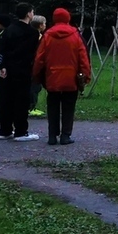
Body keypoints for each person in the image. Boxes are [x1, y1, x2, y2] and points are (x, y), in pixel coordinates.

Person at [32, 8, 91, 146]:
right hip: (71, 78)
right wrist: (86, 76)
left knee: (52, 107)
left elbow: (39, 59)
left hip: (52, 78)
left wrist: (36, 76)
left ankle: (52, 136)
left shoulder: (47, 36)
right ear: (68, 18)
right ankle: (65, 135)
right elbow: (83, 58)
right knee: (68, 107)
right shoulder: (76, 36)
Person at [0, 3, 41, 141]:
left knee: (7, 99)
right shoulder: (33, 33)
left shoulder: (9, 30)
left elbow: (1, 50)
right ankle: (21, 131)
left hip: (8, 69)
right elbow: (35, 53)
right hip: (23, 69)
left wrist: (2, 66)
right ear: (28, 14)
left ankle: (5, 130)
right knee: (21, 100)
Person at [28, 14, 47, 117]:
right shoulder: (38, 37)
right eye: (44, 23)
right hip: (34, 64)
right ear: (40, 25)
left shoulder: (28, 34)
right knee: (35, 87)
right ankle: (31, 107)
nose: (45, 25)